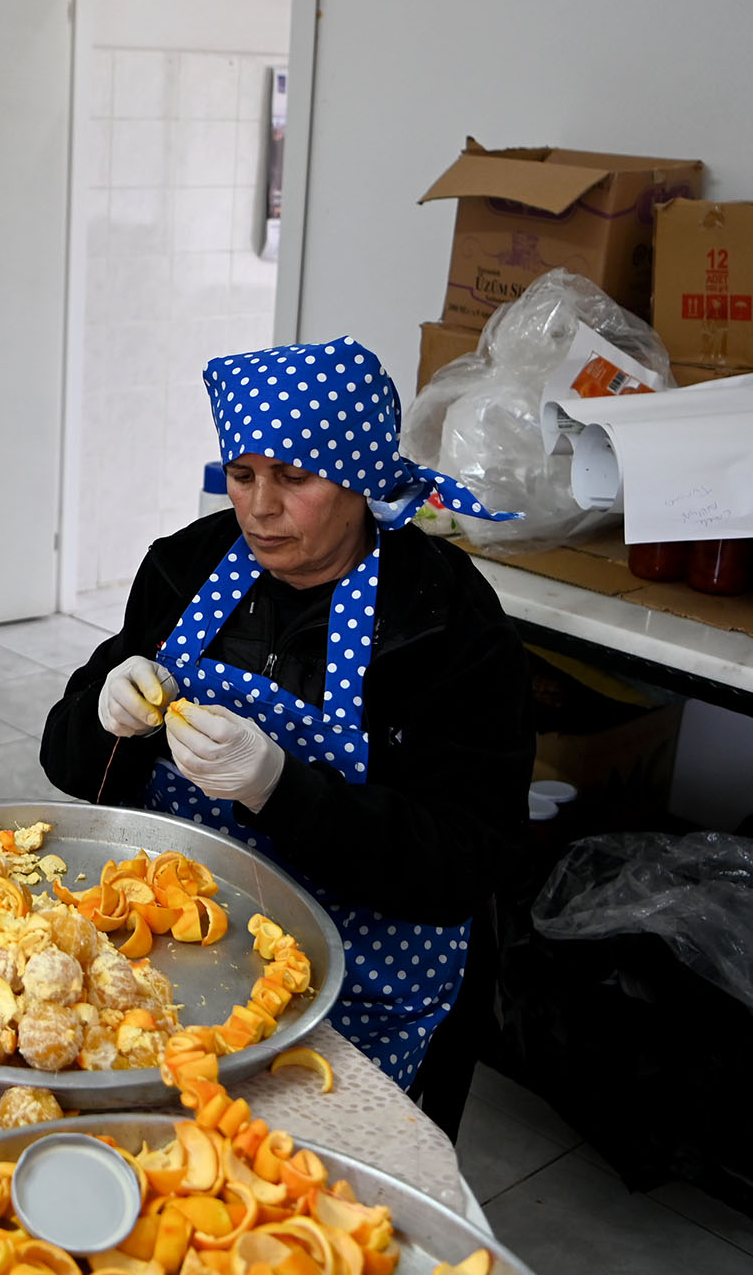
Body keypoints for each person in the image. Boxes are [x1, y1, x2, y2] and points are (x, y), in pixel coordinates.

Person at [41, 337, 535, 1089]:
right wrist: (104, 713)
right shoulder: (188, 567)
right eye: (241, 474)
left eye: (294, 478)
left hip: (358, 993)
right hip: (172, 956)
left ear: (360, 480)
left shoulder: (443, 622)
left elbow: (465, 864)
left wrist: (279, 787)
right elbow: (71, 766)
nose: (260, 508)